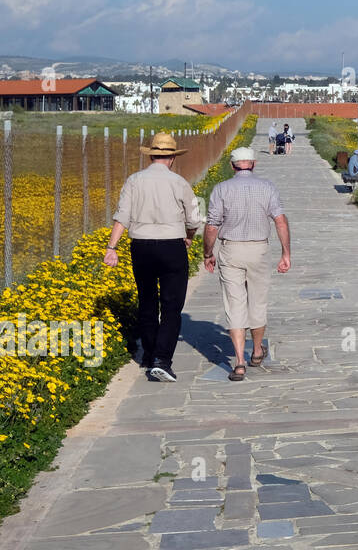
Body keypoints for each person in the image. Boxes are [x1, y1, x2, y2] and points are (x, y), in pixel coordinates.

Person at [103, 132, 203, 382]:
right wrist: (189, 235)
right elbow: (193, 218)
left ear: (151, 156)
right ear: (171, 158)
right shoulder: (180, 182)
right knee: (172, 306)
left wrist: (111, 247)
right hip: (172, 246)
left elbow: (122, 216)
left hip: (142, 246)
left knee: (147, 299)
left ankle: (148, 353)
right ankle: (161, 359)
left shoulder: (134, 180)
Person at [203, 147, 291, 382]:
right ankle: (258, 350)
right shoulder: (267, 187)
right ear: (254, 164)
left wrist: (207, 253)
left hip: (231, 249)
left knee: (234, 304)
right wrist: (286, 253)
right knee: (258, 301)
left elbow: (212, 226)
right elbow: (280, 221)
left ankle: (239, 362)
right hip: (259, 249)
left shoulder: (221, 189)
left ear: (232, 166)